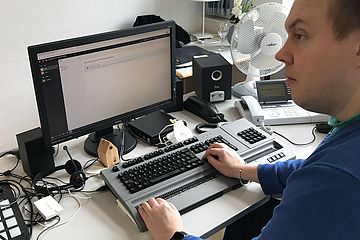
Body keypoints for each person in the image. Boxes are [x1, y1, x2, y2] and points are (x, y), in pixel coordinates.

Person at [138, 0, 360, 239]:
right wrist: (243, 170)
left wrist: (173, 235)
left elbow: (326, 175)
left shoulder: (339, 177)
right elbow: (309, 170)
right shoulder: (346, 133)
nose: (281, 53)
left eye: (300, 35)